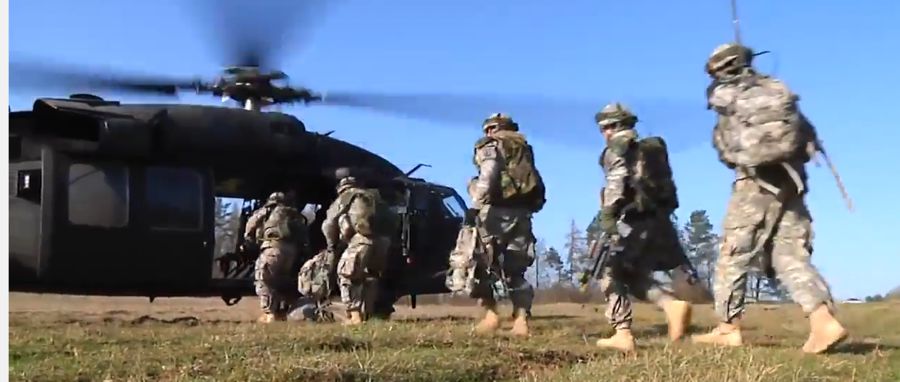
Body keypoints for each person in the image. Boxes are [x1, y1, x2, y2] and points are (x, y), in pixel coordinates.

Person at [692, 43, 848, 354]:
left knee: (733, 252)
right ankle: (822, 321)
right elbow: (806, 139)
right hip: (792, 180)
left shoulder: (727, 93)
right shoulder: (775, 89)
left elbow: (726, 150)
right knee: (787, 254)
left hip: (756, 183)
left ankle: (727, 328)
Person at [593, 102, 694, 353]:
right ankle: (672, 306)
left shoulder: (617, 148)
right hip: (656, 220)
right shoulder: (649, 149)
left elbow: (616, 184)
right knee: (635, 275)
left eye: (605, 127)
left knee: (609, 272)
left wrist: (607, 216)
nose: (604, 133)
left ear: (615, 126)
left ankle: (622, 333)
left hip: (630, 220)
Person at [467, 112, 545, 337]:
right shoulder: (523, 148)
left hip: (495, 213)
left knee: (482, 264)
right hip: (522, 213)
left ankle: (492, 316)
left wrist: (474, 206)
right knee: (516, 269)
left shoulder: (491, 145)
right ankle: (521, 320)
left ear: (491, 129)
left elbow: (488, 175)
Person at [321, 174, 395, 325]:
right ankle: (368, 313)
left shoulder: (347, 196)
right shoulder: (375, 197)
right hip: (383, 242)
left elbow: (329, 223)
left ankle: (355, 317)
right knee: (370, 277)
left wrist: (331, 245)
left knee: (347, 276)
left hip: (361, 240)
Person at [243, 190, 308, 323]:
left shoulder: (267, 211)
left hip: (272, 248)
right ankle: (281, 313)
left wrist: (249, 242)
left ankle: (269, 315)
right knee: (280, 282)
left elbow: (250, 225)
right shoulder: (293, 214)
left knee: (264, 279)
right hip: (291, 252)